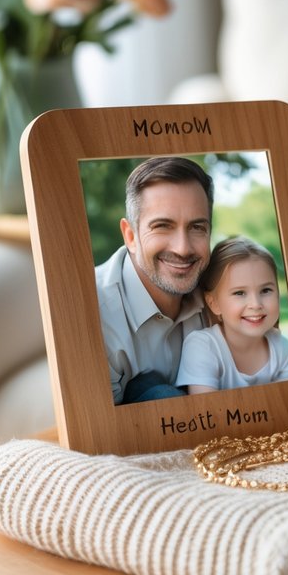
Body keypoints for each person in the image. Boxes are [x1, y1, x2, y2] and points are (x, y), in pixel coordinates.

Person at [95, 157, 213, 404]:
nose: (182, 249)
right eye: (162, 226)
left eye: (197, 228)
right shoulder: (93, 314)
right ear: (131, 236)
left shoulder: (221, 292)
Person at [176, 236, 288, 394]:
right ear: (213, 303)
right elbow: (206, 413)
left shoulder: (284, 350)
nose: (255, 304)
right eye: (240, 293)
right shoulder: (203, 346)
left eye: (265, 290)